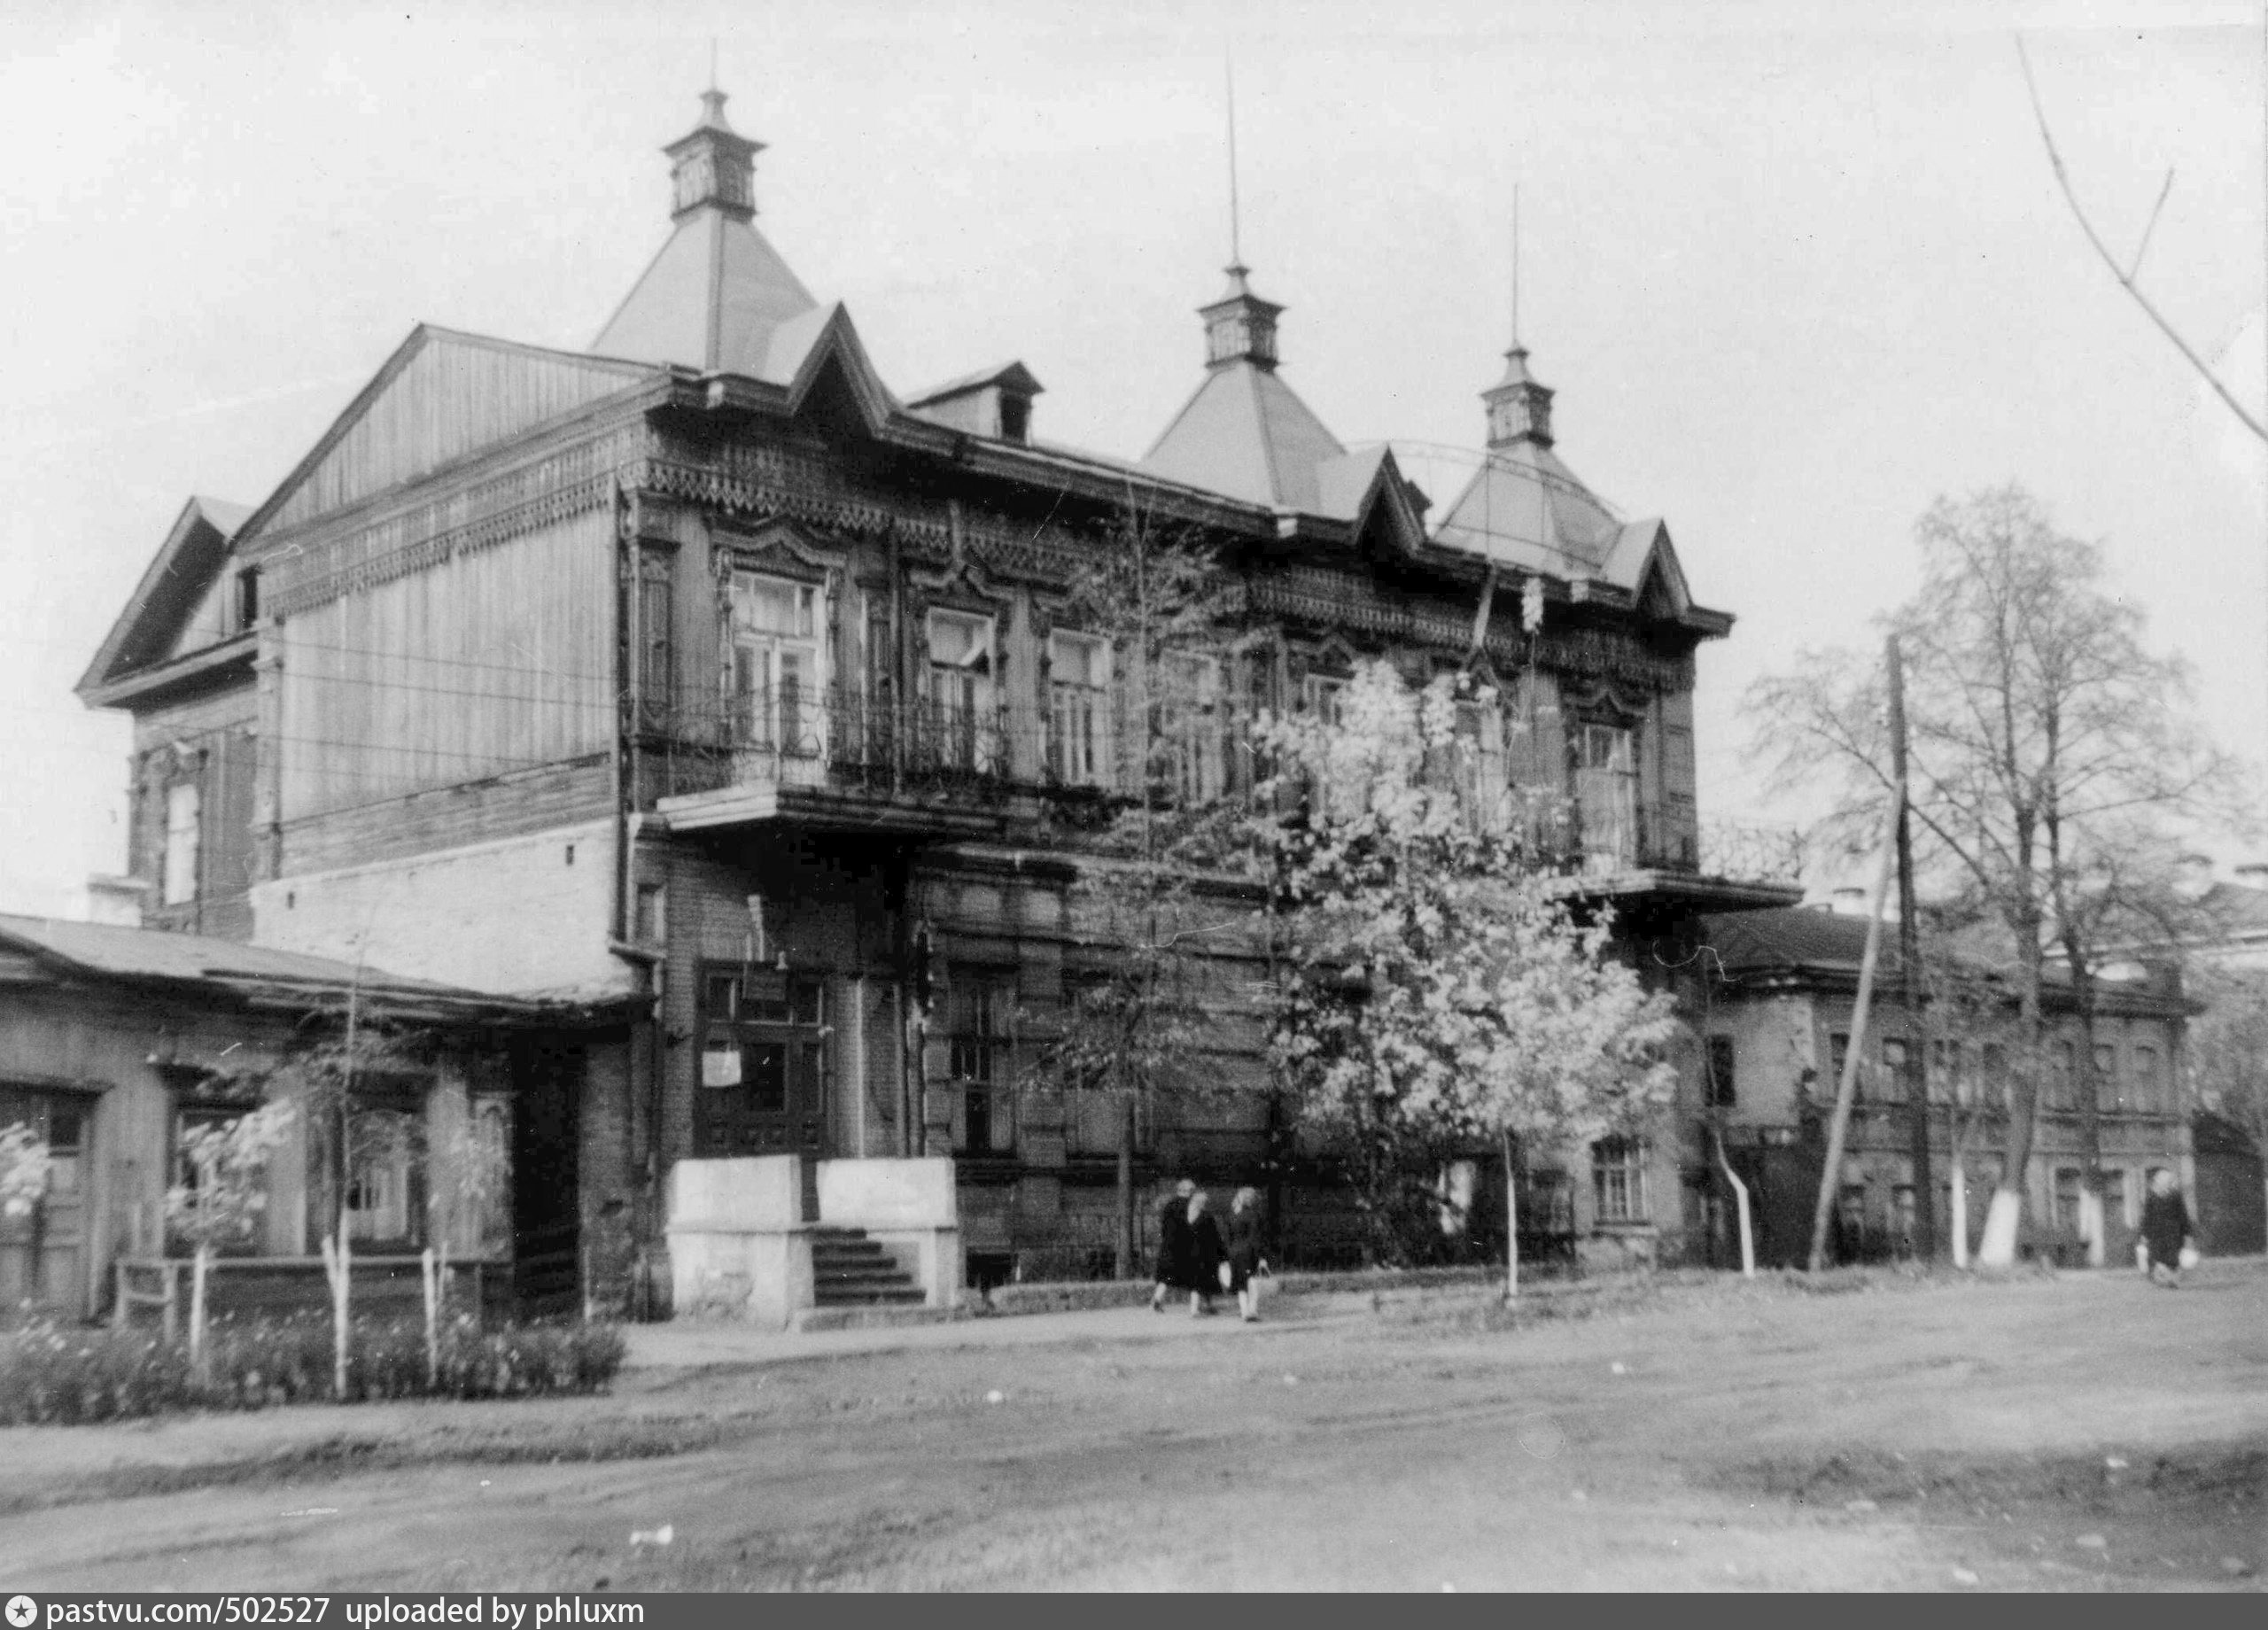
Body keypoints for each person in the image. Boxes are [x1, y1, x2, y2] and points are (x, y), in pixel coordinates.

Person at [2139, 1168, 2195, 1288]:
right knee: (2157, 1257)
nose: (2166, 1182)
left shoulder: (2175, 1195)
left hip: (2173, 1233)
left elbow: (2183, 1215)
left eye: (2168, 1180)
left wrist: (2188, 1233)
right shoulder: (2151, 1196)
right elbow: (2147, 1217)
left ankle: (2171, 1280)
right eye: (2163, 1179)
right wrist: (2144, 1234)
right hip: (2156, 1234)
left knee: (2172, 1259)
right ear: (2157, 1181)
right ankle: (2166, 1279)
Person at [1224, 1186, 1269, 1323]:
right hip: (1249, 1252)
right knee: (1252, 1281)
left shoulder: (1231, 1215)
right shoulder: (1254, 1215)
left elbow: (1228, 1237)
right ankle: (1253, 1310)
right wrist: (1261, 1257)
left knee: (1241, 1283)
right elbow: (1255, 1237)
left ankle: (1244, 1312)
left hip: (1234, 1252)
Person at [1152, 1177, 1195, 1311]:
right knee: (1196, 1274)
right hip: (1186, 1244)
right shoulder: (1190, 1205)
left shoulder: (1170, 1205)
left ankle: (1158, 1298)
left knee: (1166, 1275)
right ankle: (1201, 1304)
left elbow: (1164, 1225)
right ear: (1189, 1191)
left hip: (1169, 1243)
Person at [1185, 1188, 1227, 1317]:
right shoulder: (1206, 1216)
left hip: (1191, 1252)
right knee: (1205, 1280)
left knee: (1197, 1280)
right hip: (1205, 1252)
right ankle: (1201, 1307)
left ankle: (1199, 1307)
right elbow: (1215, 1236)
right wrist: (1222, 1254)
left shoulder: (1186, 1215)